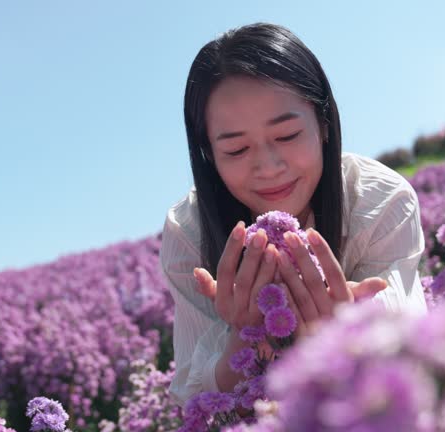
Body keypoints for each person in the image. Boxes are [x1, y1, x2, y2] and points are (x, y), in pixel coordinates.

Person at [158, 22, 429, 408]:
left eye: (286, 136)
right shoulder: (188, 231)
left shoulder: (381, 201)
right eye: (236, 150)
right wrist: (245, 338)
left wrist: (351, 332)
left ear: (323, 124)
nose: (268, 167)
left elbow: (416, 354)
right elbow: (189, 398)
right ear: (208, 155)